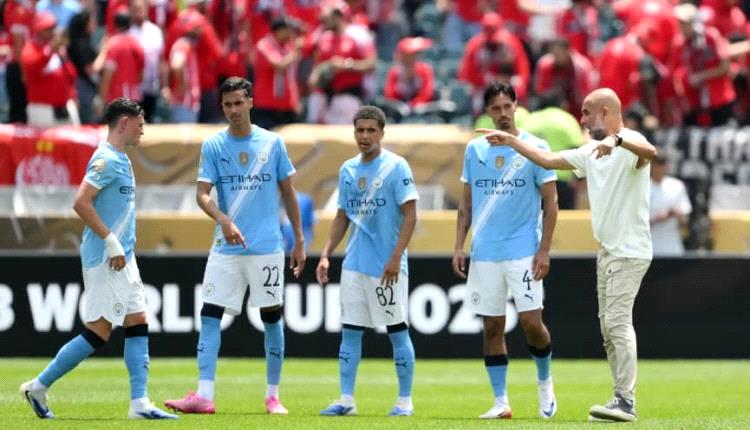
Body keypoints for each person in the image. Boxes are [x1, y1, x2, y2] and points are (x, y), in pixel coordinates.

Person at [478, 87, 657, 422]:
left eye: (587, 112)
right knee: (608, 329)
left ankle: (625, 401)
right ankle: (619, 399)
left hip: (629, 251)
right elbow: (548, 160)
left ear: (605, 112)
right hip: (609, 252)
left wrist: (617, 140)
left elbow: (650, 152)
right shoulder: (590, 151)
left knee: (617, 324)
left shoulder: (630, 140)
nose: (582, 119)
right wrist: (512, 141)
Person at [19, 98, 177, 420]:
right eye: (140, 124)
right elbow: (81, 202)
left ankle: (139, 404)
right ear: (124, 123)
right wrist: (111, 241)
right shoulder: (105, 159)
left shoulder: (123, 158)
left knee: (138, 321)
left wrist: (121, 246)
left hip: (124, 258)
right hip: (107, 259)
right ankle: (38, 386)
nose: (143, 129)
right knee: (99, 331)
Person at [164, 77, 306, 415]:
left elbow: (288, 193)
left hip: (267, 247)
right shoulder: (213, 145)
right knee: (210, 314)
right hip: (225, 248)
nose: (233, 110)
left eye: (239, 102)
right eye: (227, 104)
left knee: (271, 318)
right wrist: (223, 220)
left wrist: (299, 239)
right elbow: (201, 194)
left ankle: (273, 397)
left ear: (251, 102)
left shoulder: (272, 143)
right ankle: (204, 395)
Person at [453, 82, 559, 420]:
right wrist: (459, 246)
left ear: (516, 106)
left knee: (531, 322)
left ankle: (545, 382)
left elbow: (551, 202)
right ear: (487, 111)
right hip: (485, 252)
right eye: (495, 108)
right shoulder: (475, 150)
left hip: (524, 250)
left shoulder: (536, 147)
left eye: (507, 106)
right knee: (492, 327)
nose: (502, 114)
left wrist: (544, 250)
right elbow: (466, 204)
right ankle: (501, 402)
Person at [316, 105, 418, 417]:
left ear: (382, 133)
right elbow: (342, 216)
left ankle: (405, 402)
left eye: (371, 130)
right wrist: (326, 254)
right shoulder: (348, 170)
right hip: (354, 264)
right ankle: (346, 400)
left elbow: (411, 215)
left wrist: (396, 256)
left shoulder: (397, 167)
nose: (364, 136)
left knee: (397, 330)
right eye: (359, 130)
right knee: (350, 330)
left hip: (387, 267)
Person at [650, 155, 692, 256]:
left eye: (663, 163)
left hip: (673, 249)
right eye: (657, 164)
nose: (660, 167)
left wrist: (678, 215)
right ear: (651, 165)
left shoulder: (677, 186)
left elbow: (685, 221)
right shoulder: (642, 186)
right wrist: (656, 219)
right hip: (649, 249)